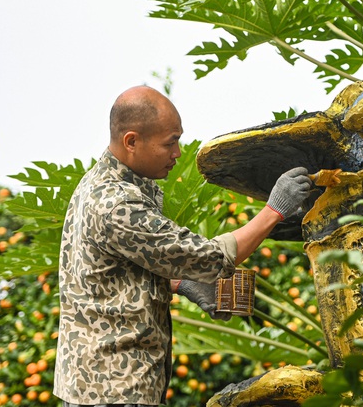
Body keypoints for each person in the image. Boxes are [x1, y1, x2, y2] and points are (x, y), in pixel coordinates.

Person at [52, 85, 312, 407]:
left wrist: (178, 283)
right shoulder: (115, 203)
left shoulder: (99, 183)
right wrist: (274, 210)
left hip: (93, 382)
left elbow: (118, 270)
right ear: (131, 141)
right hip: (113, 387)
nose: (177, 153)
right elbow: (208, 258)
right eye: (169, 143)